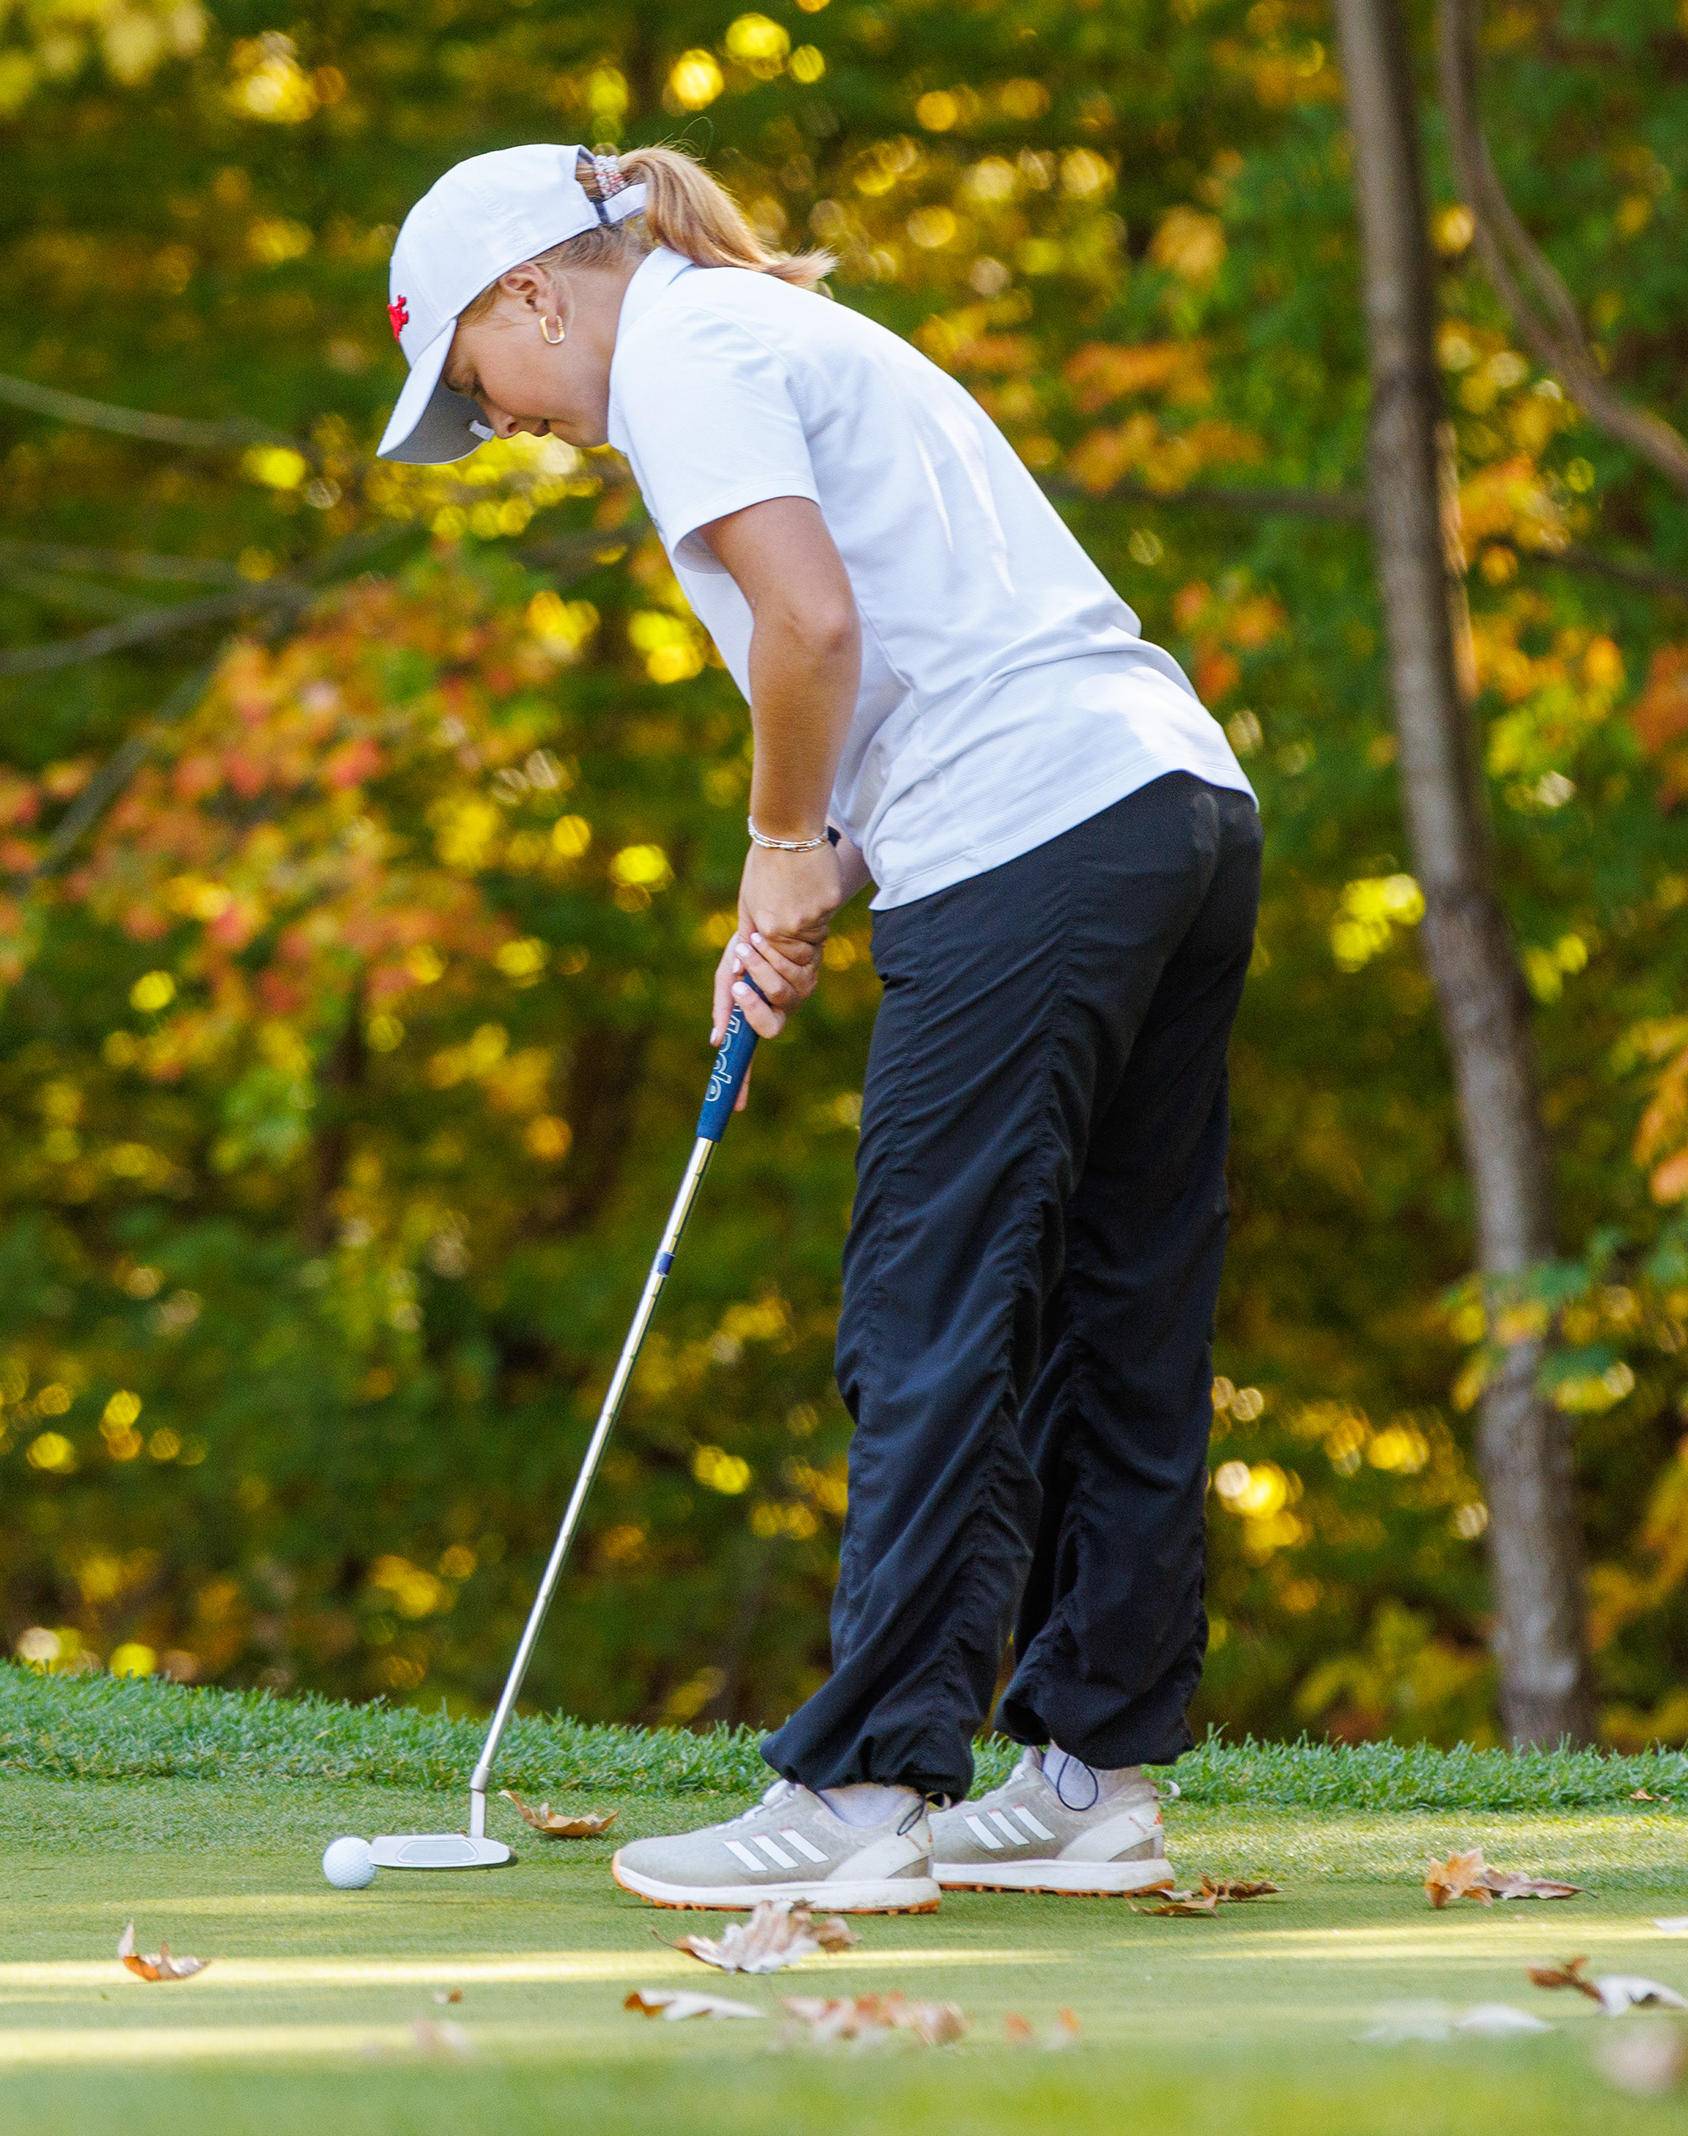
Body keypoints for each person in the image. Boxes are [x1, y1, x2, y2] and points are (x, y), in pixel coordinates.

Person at [378, 141, 1261, 1913]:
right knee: (1120, 1302)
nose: (508, 427)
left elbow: (812, 620)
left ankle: (863, 1796)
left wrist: (781, 842)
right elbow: (925, 648)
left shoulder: (686, 350)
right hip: (1167, 804)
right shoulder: (774, 333)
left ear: (533, 292)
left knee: (931, 1306)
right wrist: (824, 866)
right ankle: (1092, 1779)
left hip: (1027, 827)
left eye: (480, 382)